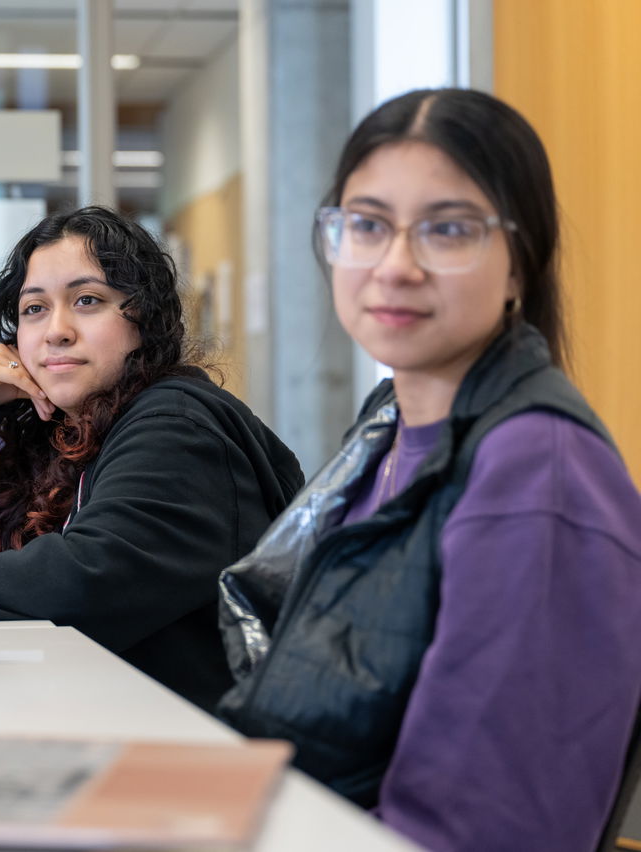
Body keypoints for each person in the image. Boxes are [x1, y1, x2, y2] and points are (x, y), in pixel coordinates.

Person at [218, 88, 641, 851]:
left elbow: (488, 829)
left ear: (521, 265)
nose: (395, 266)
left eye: (448, 230)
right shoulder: (386, 429)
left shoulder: (534, 474)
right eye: (368, 225)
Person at [0, 206, 304, 714]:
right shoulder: (62, 435)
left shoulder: (177, 429)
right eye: (34, 309)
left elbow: (75, 588)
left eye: (87, 300)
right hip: (97, 724)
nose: (56, 330)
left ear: (144, 319)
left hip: (190, 756)